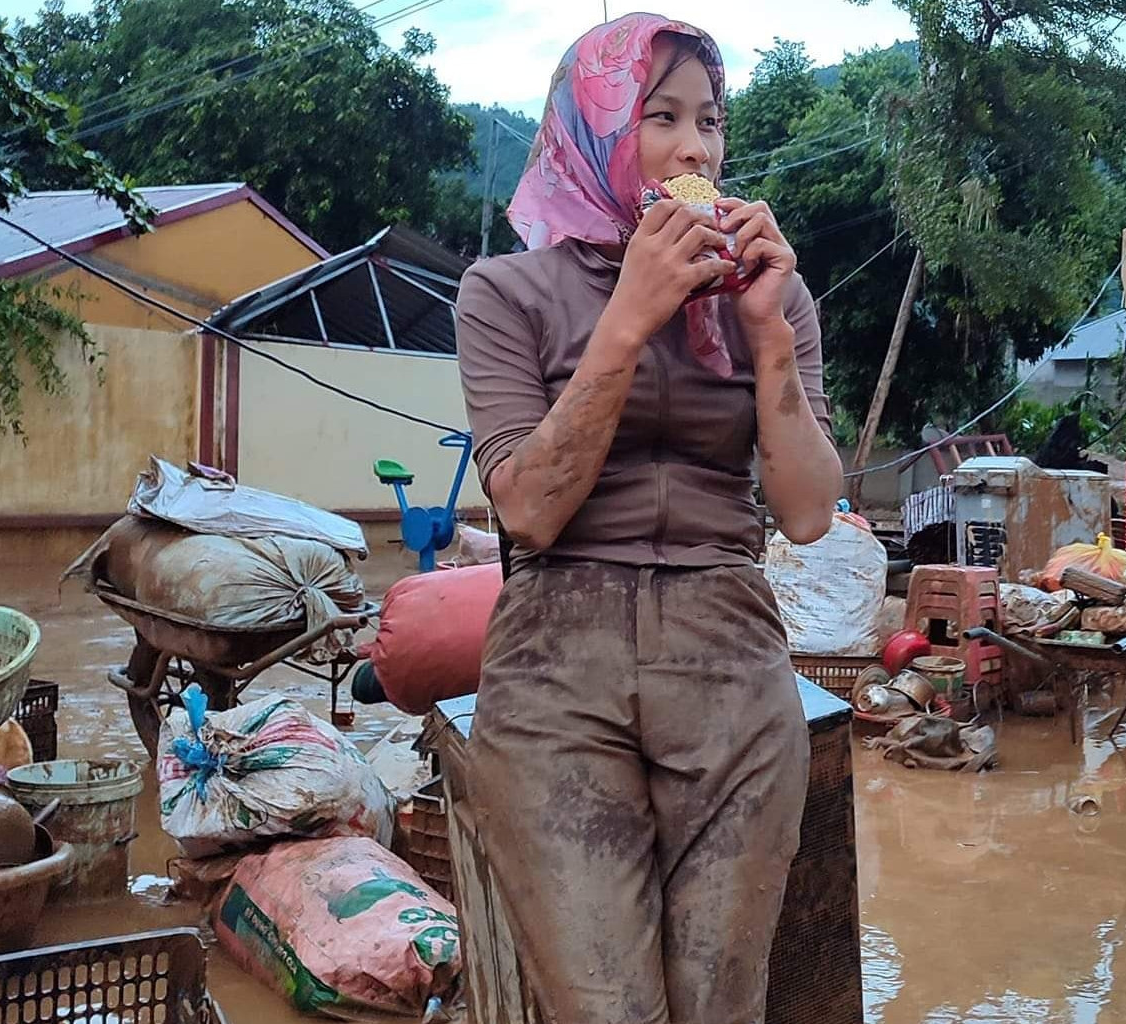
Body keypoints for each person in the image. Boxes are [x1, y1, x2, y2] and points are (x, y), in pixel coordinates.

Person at [453, 13, 844, 1024]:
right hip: (554, 668)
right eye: (659, 116)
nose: (696, 149)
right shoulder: (504, 292)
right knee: (602, 1008)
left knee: (723, 1004)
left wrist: (763, 338)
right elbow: (529, 510)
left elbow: (806, 512)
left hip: (730, 648)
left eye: (709, 121)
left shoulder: (772, 296)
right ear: (593, 132)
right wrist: (629, 316)